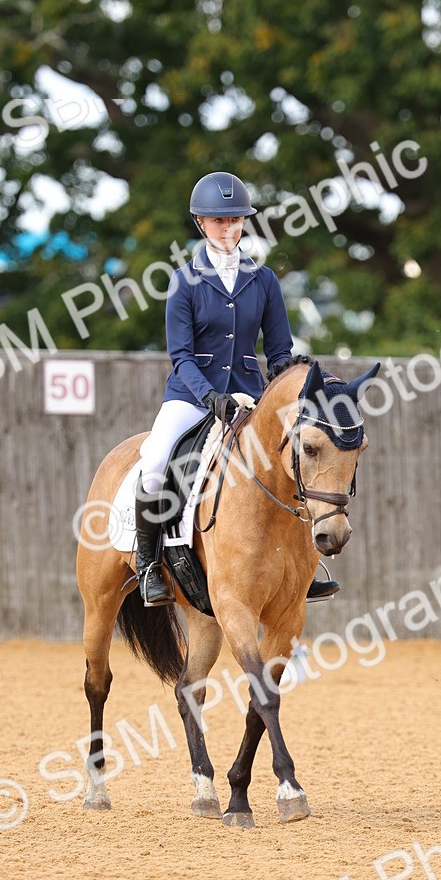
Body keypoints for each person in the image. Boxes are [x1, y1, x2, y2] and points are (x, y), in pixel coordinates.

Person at [134, 169, 340, 607]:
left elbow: (280, 351)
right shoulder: (184, 281)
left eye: (235, 220)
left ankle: (305, 565)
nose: (228, 228)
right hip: (192, 397)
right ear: (200, 224)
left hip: (249, 396)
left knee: (293, 457)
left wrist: (289, 374)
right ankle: (148, 563)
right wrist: (209, 397)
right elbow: (181, 356)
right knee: (154, 459)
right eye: (218, 221)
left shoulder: (263, 280)